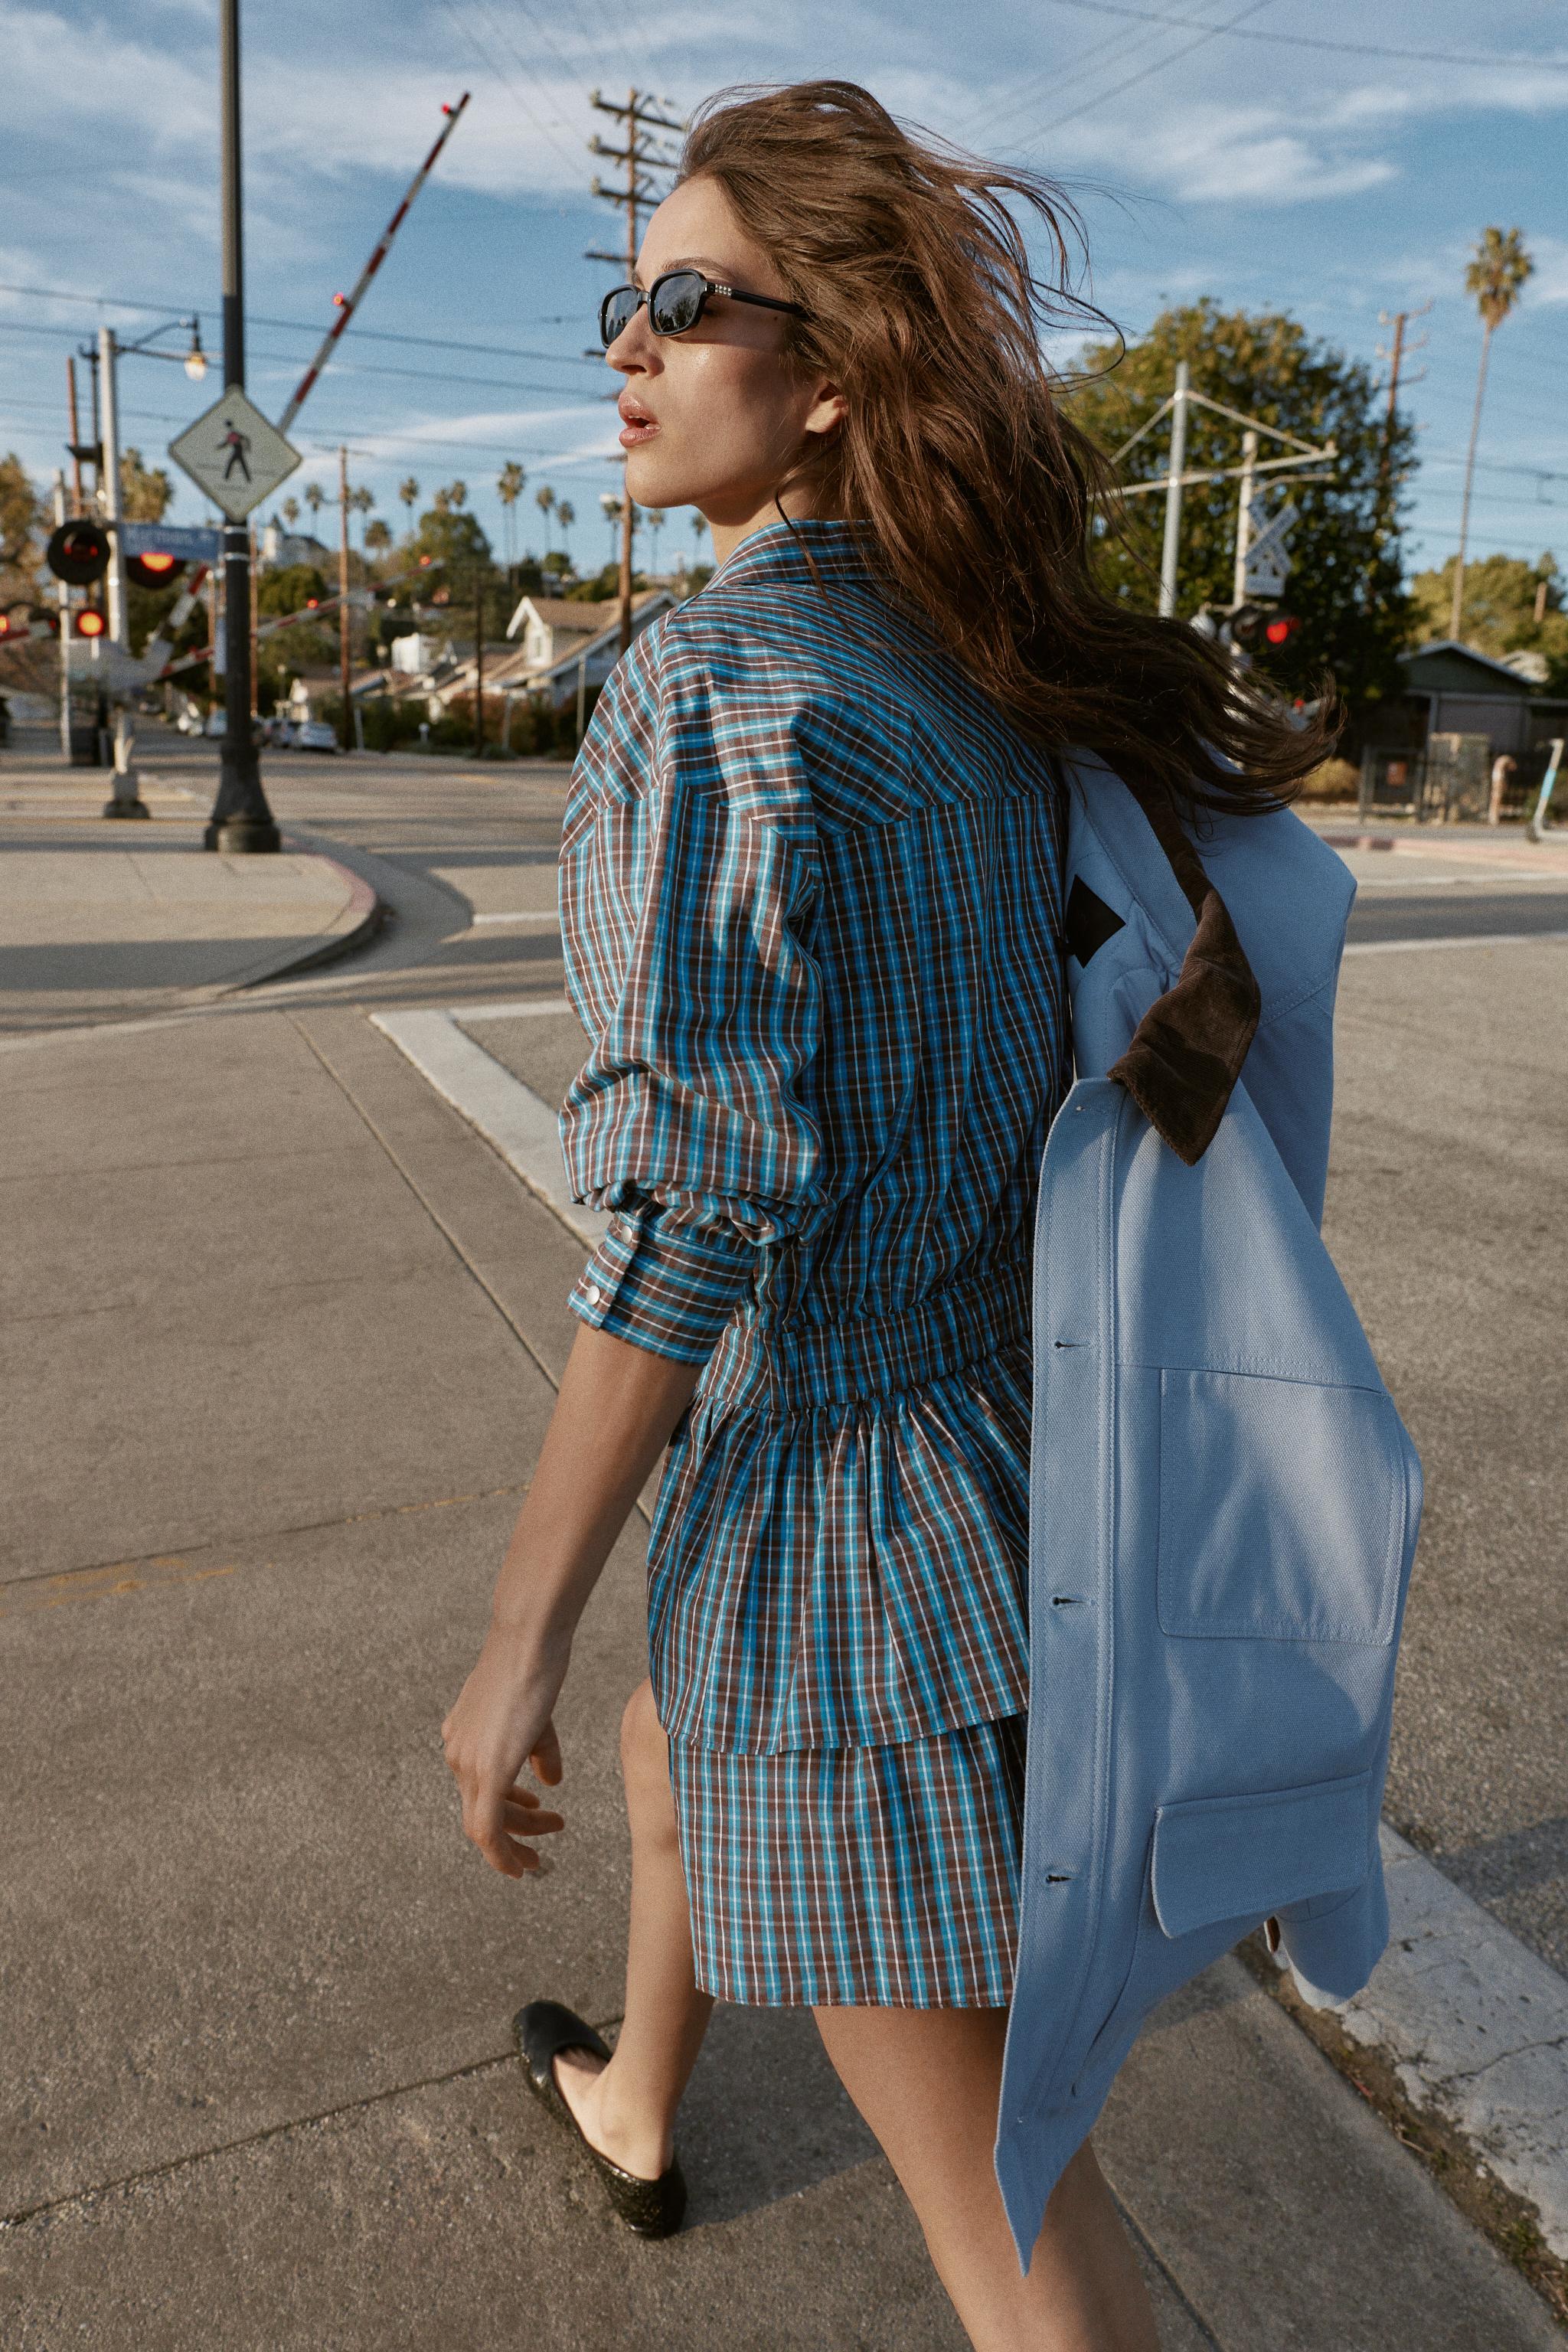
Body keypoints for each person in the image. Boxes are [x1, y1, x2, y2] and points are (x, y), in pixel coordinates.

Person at [441, 80, 1328, 2351]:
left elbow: (695, 1213)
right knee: (674, 1737)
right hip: (1013, 1464)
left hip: (853, 1569)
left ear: (825, 373)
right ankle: (643, 2093)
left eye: (678, 306)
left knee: (1024, 2241)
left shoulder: (710, 688)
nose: (621, 352)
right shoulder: (970, 676)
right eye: (619, 305)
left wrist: (515, 1627)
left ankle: (657, 2072)